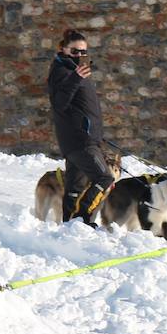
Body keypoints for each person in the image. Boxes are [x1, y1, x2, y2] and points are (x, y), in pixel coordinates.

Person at [47, 28, 113, 224]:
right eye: (75, 52)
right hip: (81, 140)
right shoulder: (62, 71)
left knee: (74, 189)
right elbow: (59, 103)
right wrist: (75, 78)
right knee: (104, 178)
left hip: (82, 139)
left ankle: (69, 224)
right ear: (63, 49)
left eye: (84, 52)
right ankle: (83, 218)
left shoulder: (77, 72)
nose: (80, 56)